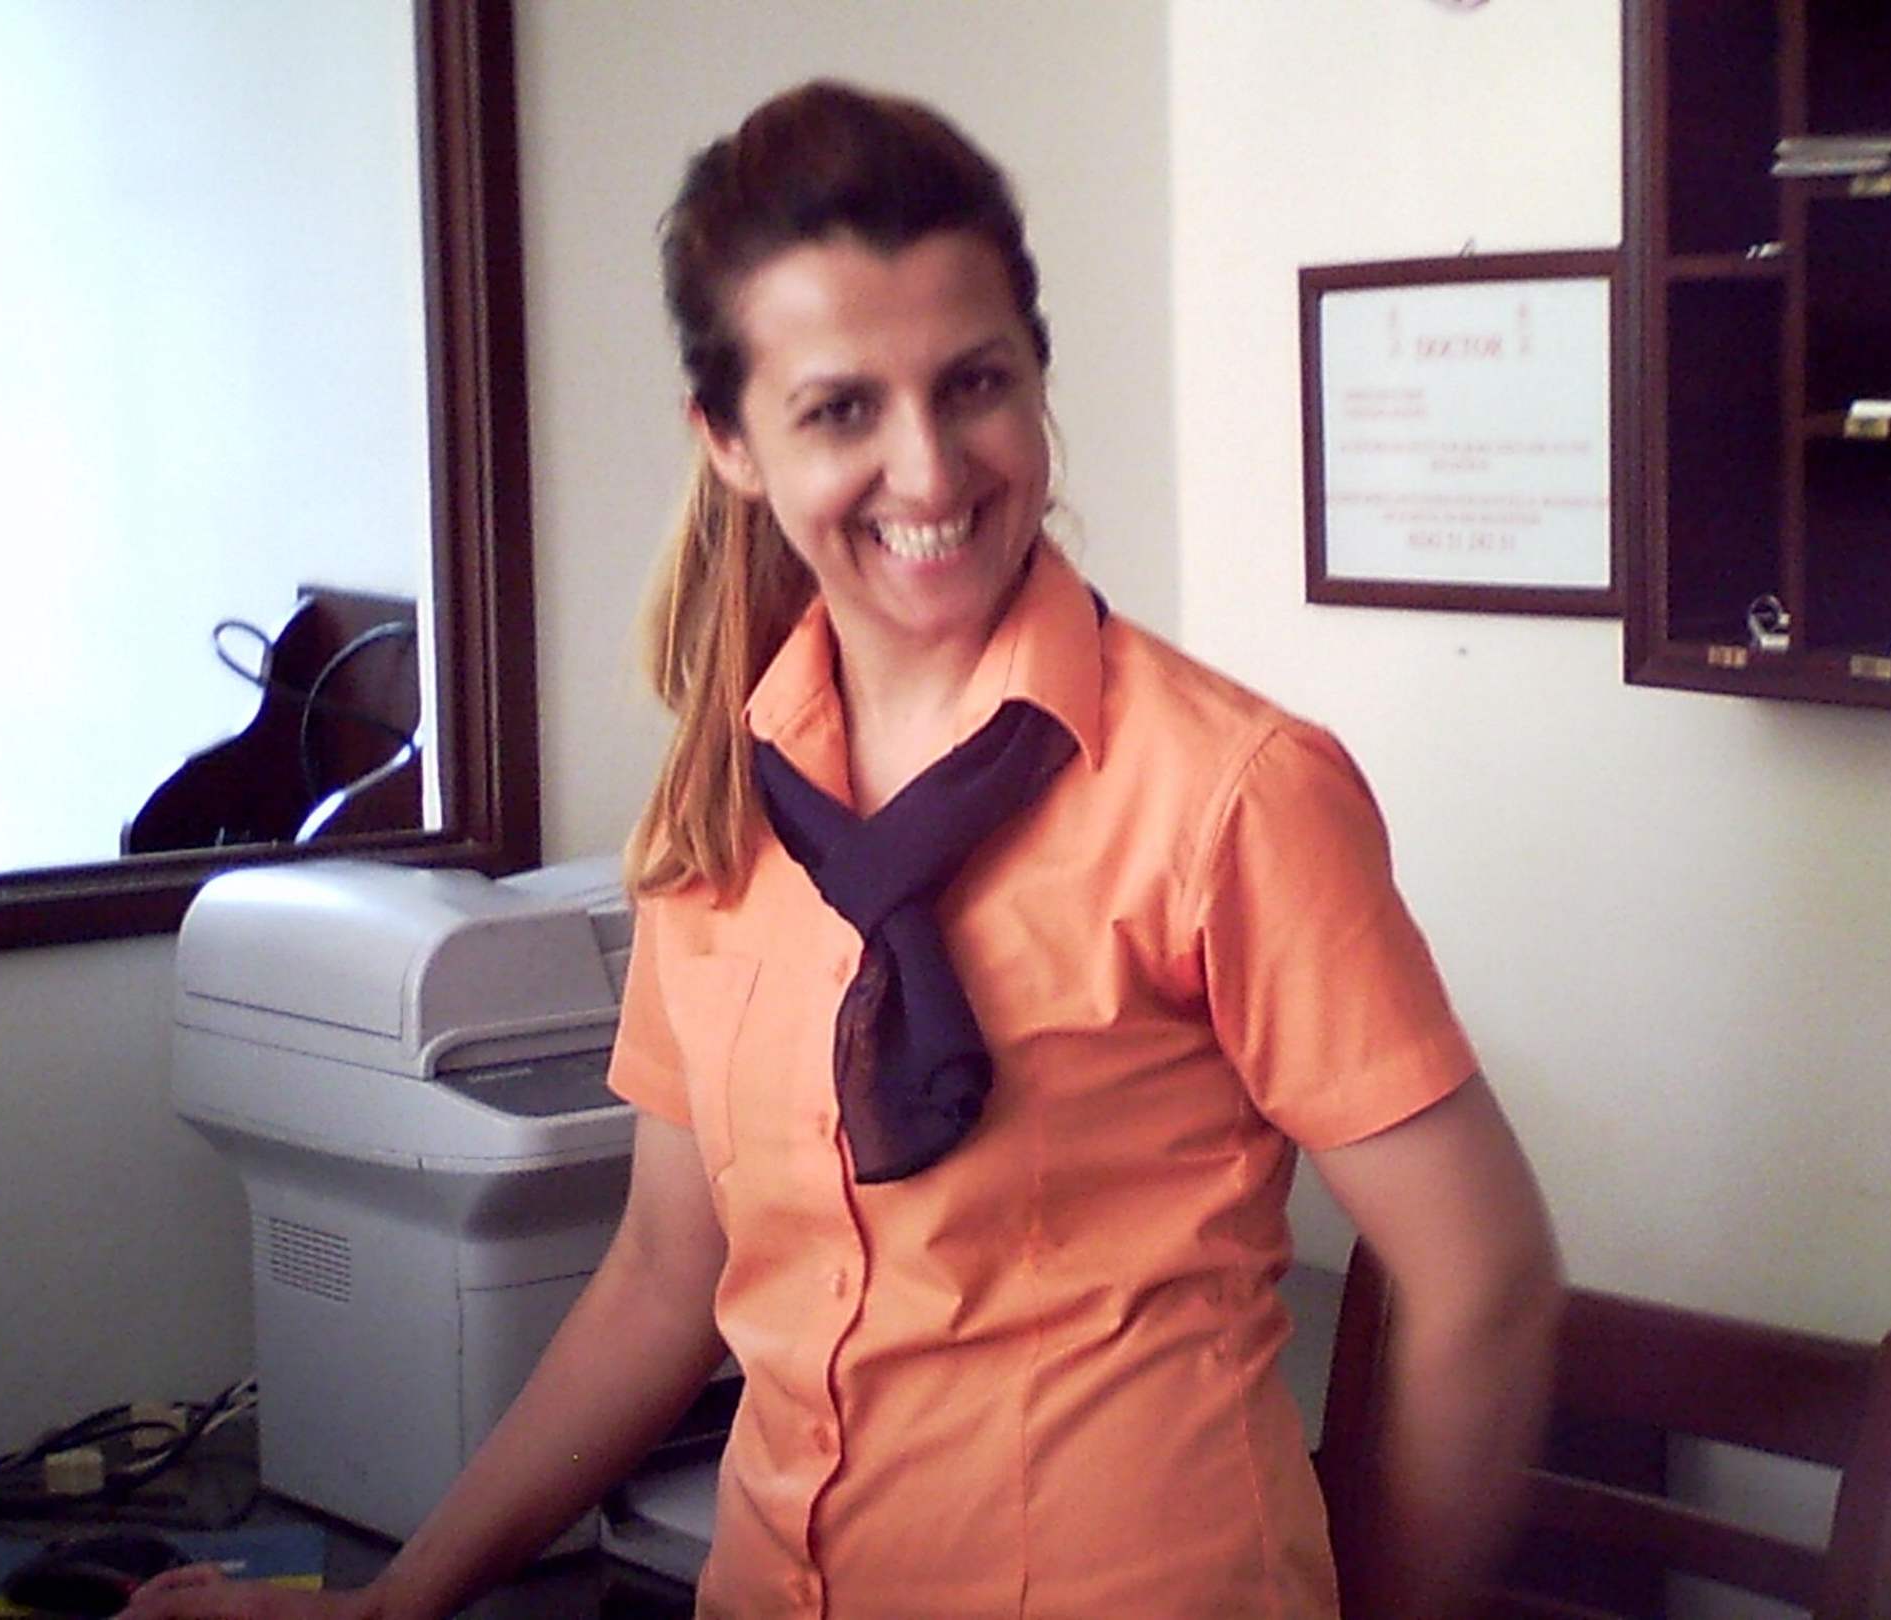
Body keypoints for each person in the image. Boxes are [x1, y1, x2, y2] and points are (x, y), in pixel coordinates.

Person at [126, 81, 1561, 1620]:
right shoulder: (720, 815)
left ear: (1036, 375)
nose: (930, 472)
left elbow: (1483, 1280)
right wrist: (390, 1607)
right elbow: (666, 1276)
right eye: (841, 410)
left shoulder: (1232, 796)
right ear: (732, 442)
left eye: (974, 384)